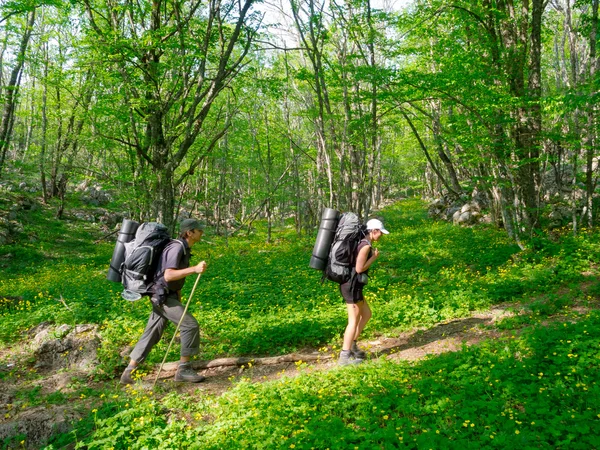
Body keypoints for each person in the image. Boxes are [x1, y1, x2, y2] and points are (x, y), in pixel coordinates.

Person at [120, 218, 207, 384]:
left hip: (166, 294)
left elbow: (172, 277)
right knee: (190, 325)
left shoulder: (183, 248)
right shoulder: (176, 247)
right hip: (162, 296)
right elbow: (168, 275)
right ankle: (184, 369)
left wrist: (178, 294)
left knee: (152, 333)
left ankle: (128, 372)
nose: (201, 233)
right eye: (199, 230)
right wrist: (194, 269)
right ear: (190, 232)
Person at [338, 218, 389, 366]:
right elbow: (360, 268)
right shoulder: (365, 246)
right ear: (374, 231)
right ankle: (344, 357)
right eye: (380, 233)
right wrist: (374, 257)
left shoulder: (362, 241)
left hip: (354, 285)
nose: (382, 236)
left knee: (366, 314)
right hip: (351, 286)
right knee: (353, 321)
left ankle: (353, 346)